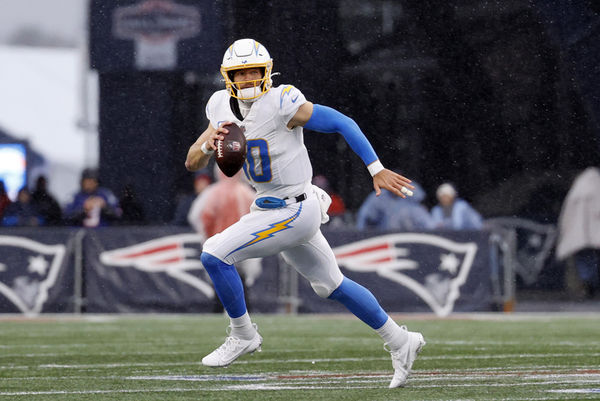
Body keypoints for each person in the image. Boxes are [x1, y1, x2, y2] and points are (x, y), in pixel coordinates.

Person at [185, 38, 425, 388]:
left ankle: (243, 334)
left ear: (267, 72)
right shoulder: (220, 105)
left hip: (295, 207)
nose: (249, 78)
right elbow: (193, 161)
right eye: (241, 72)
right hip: (270, 205)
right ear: (228, 77)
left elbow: (343, 122)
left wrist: (376, 169)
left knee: (214, 253)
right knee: (332, 285)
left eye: (255, 70)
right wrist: (209, 143)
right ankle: (401, 341)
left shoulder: (283, 101)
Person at [188, 166, 263, 310]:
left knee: (220, 277)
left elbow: (198, 217)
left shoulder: (211, 194)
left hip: (219, 244)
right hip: (243, 244)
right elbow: (260, 218)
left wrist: (208, 238)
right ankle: (243, 311)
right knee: (241, 279)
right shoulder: (247, 193)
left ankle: (220, 309)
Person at [556, 167, 600, 298]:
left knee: (585, 262)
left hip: (579, 236)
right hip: (594, 235)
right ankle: (590, 286)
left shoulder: (577, 190)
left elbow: (566, 215)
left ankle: (588, 286)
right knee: (590, 261)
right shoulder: (596, 187)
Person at [357, 180, 434, 231]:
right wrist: (361, 233)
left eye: (398, 183)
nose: (396, 186)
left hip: (411, 235)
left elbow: (428, 223)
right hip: (386, 234)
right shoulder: (379, 196)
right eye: (393, 184)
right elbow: (365, 215)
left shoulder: (412, 195)